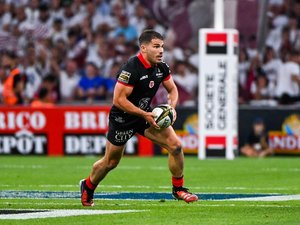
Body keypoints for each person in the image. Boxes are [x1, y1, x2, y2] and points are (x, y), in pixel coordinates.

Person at [80, 30, 198, 206]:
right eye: (156, 46)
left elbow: (172, 90)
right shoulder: (131, 68)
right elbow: (118, 100)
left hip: (146, 114)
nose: (161, 51)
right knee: (110, 162)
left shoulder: (161, 67)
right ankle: (88, 186)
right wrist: (145, 114)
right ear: (143, 48)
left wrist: (171, 109)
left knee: (176, 146)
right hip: (123, 118)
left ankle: (178, 189)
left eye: (162, 47)